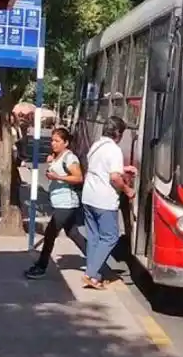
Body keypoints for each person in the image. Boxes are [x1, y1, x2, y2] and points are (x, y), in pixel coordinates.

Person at [81, 116, 134, 290]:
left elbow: (100, 168)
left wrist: (123, 169)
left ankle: (95, 276)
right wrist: (128, 190)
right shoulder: (114, 150)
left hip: (88, 197)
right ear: (118, 133)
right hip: (104, 200)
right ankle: (91, 273)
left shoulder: (97, 145)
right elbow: (114, 177)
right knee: (110, 236)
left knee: (94, 237)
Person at [24, 127, 84, 279]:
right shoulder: (57, 157)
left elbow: (78, 178)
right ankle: (98, 262)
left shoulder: (70, 158)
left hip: (67, 203)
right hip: (59, 202)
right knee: (74, 234)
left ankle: (41, 267)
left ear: (66, 142)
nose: (53, 144)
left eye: (57, 141)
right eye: (52, 140)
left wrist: (58, 177)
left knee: (50, 234)